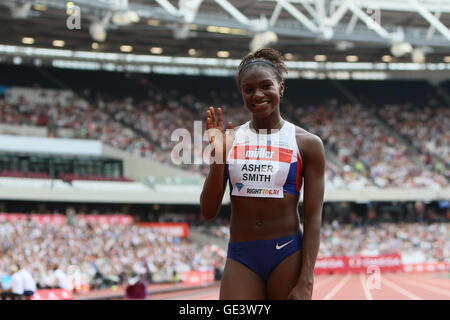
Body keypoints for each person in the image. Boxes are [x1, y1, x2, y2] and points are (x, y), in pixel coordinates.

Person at [200, 48, 325, 300]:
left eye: (266, 85)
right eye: (248, 89)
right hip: (241, 256)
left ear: (280, 87)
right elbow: (208, 211)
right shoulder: (230, 141)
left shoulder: (307, 144)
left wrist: (306, 281)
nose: (258, 95)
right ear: (242, 94)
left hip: (286, 253)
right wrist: (218, 160)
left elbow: (313, 217)